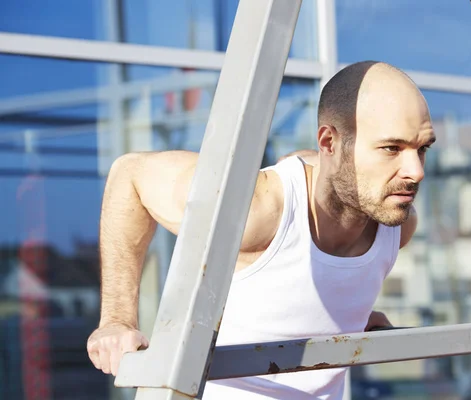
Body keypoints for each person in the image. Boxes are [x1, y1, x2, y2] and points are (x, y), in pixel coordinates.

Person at [86, 60, 436, 399]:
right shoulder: (257, 208)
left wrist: (349, 317)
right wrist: (117, 320)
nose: (415, 171)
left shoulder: (395, 223)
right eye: (392, 148)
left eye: (422, 149)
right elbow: (129, 174)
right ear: (329, 143)